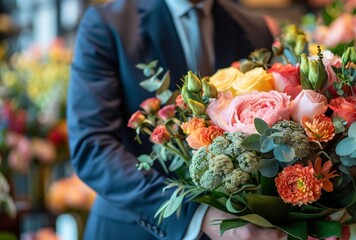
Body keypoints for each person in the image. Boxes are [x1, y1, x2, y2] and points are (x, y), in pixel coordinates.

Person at [67, 0, 285, 239]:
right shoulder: (108, 24)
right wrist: (196, 214)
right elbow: (92, 148)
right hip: (136, 228)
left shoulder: (254, 28)